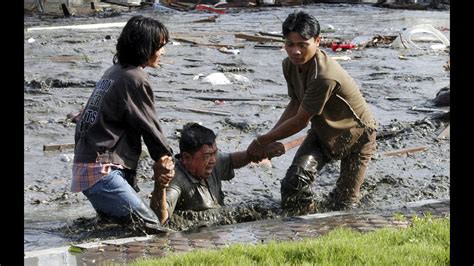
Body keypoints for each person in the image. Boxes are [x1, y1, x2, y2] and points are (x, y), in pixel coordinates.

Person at [247, 11, 377, 213]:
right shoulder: (289, 65)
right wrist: (270, 140)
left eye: (302, 45)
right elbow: (295, 103)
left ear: (318, 41)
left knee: (345, 206)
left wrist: (261, 141)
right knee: (294, 182)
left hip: (357, 135)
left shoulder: (324, 76)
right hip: (323, 131)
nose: (295, 52)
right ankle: (303, 222)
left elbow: (300, 121)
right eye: (290, 44)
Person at [71, 15, 174, 228]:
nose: (163, 52)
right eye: (160, 46)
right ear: (146, 47)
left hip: (88, 167)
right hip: (102, 172)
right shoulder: (134, 78)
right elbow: (150, 126)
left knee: (118, 227)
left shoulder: (114, 71)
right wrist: (165, 157)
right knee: (150, 226)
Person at [151, 123, 284, 223]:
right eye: (208, 155)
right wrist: (160, 187)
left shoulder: (214, 161)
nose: (213, 160)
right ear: (186, 158)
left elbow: (232, 161)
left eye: (215, 153)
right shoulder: (176, 179)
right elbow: (159, 220)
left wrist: (258, 152)